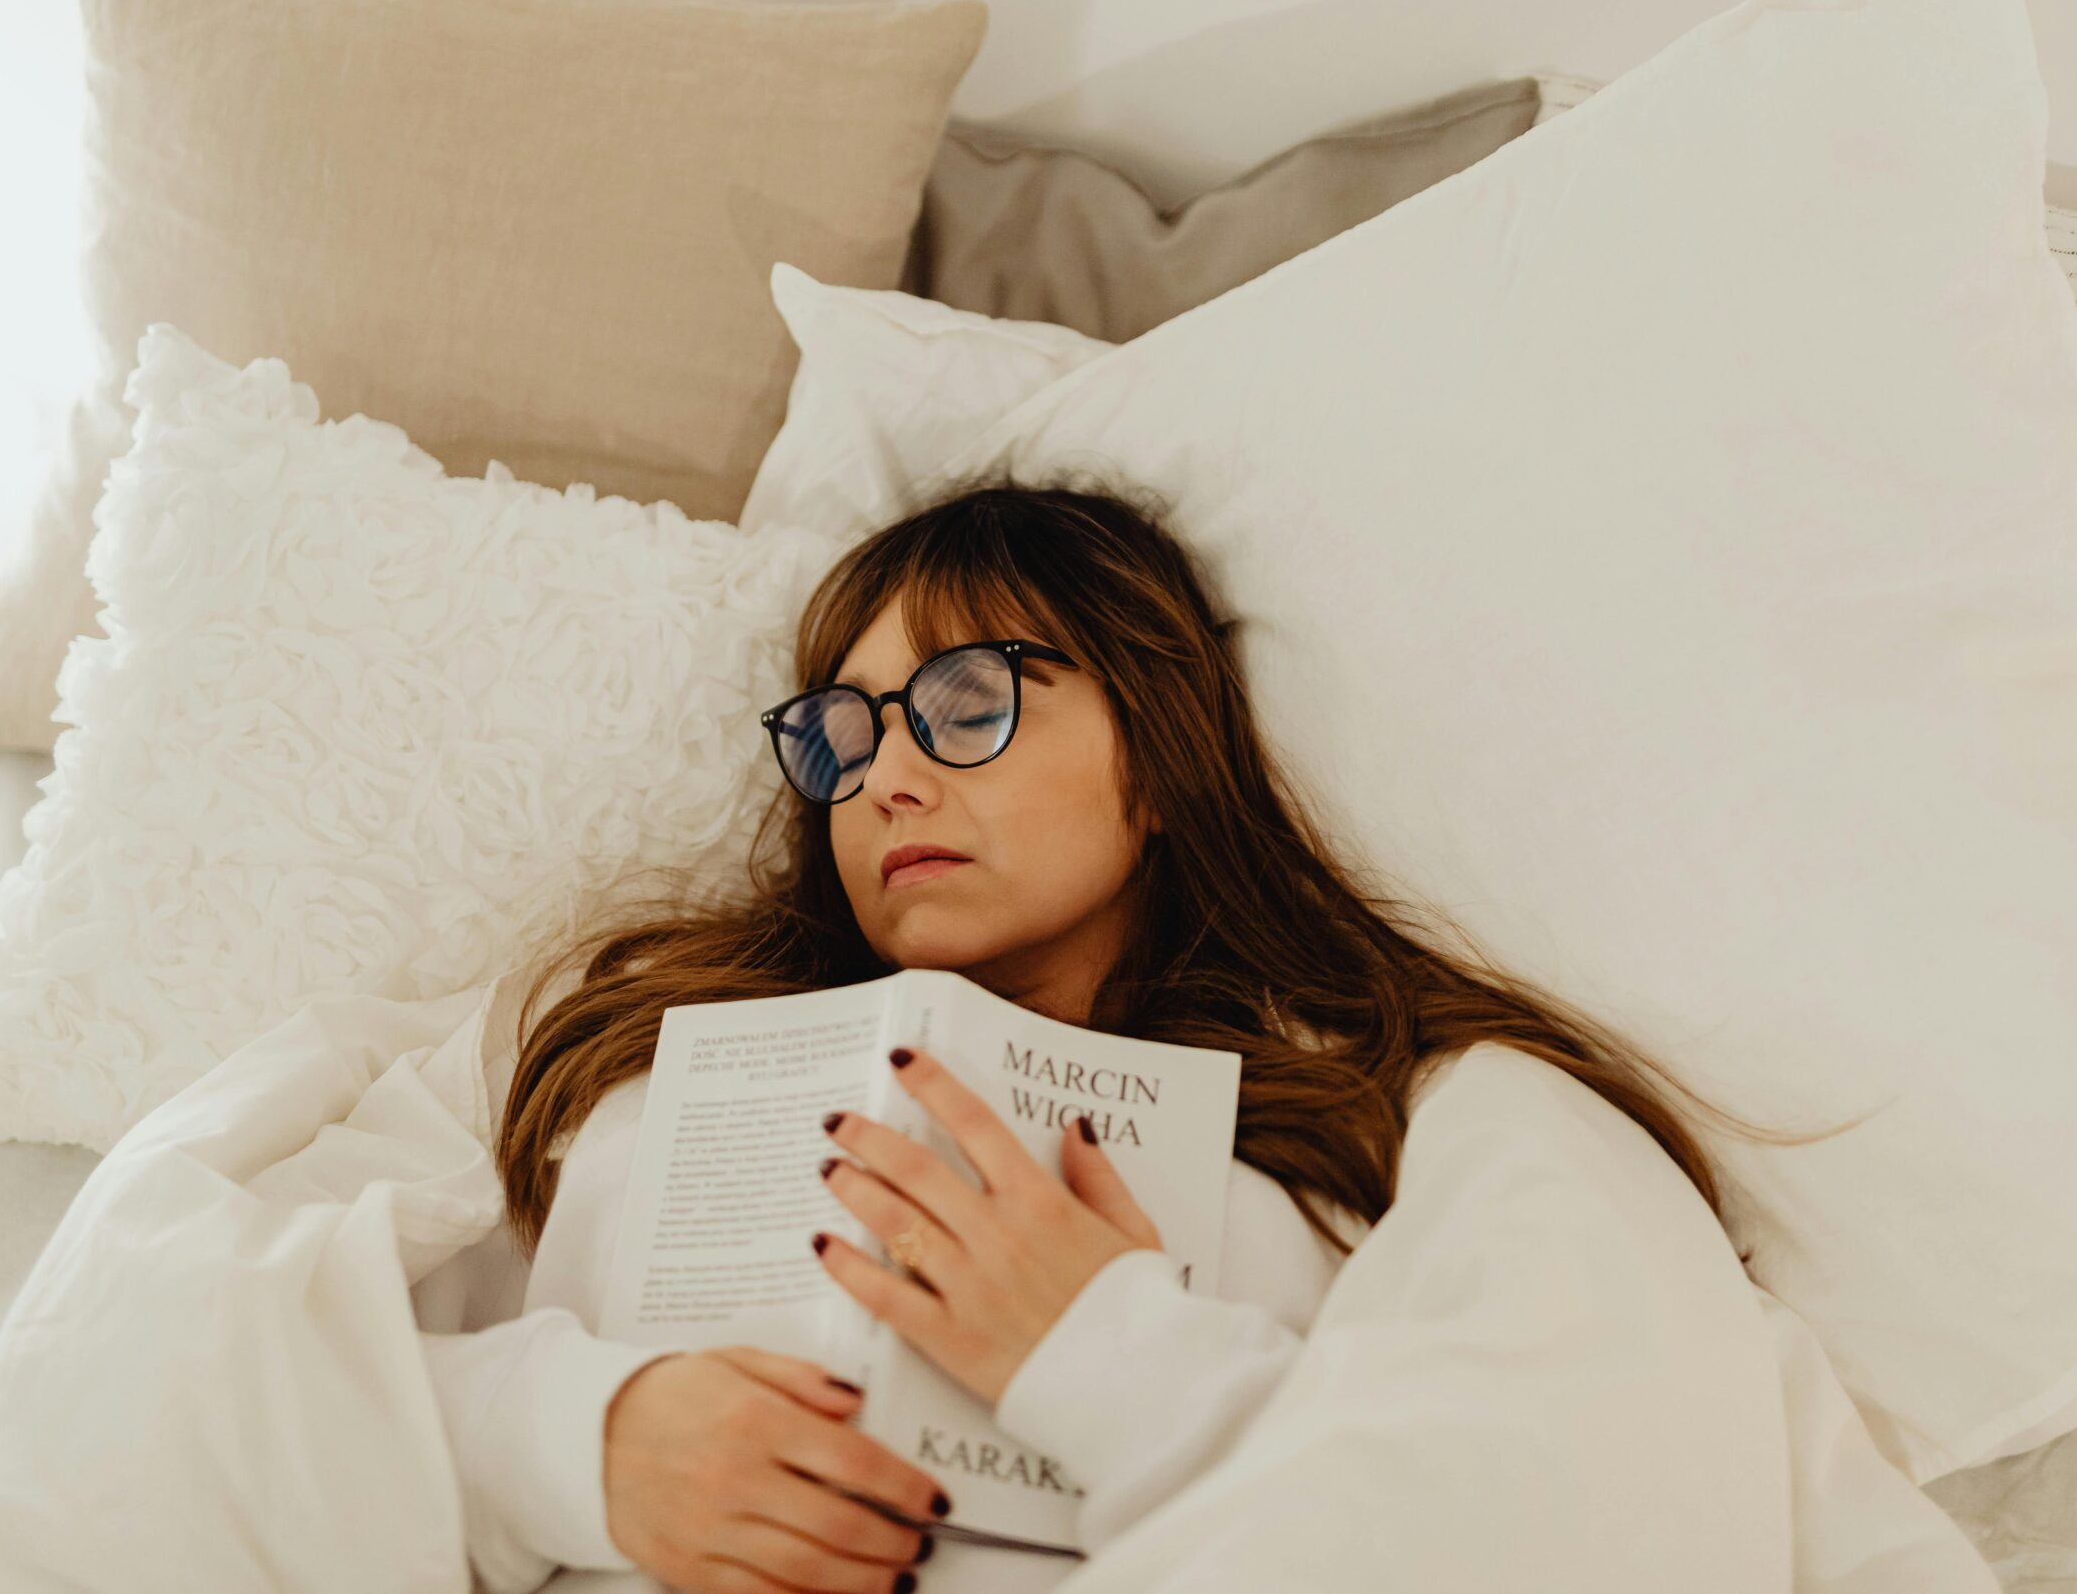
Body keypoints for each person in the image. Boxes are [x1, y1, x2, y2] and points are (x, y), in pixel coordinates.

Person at [421, 481, 1761, 1594]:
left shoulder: (1403, 1126)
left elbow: (1597, 1507)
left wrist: (1117, 1357)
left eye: (966, 705)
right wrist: (573, 1444)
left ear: (1164, 758)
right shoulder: (624, 1066)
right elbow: (262, 1364)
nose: (886, 777)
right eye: (844, 734)